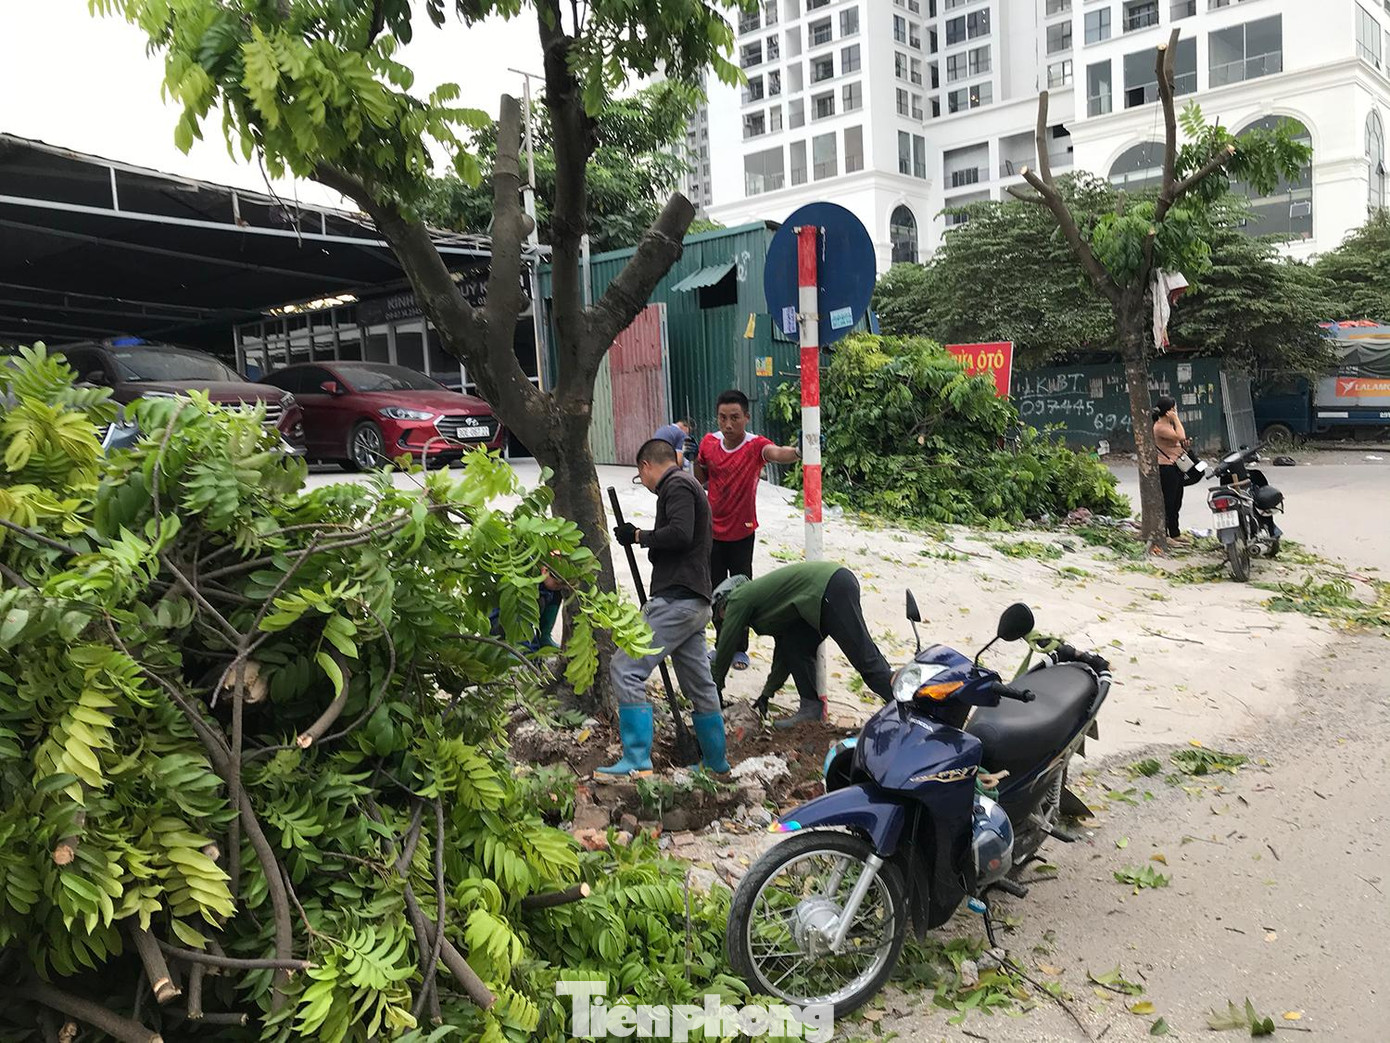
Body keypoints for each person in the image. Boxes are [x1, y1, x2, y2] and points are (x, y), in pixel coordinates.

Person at [598, 438, 729, 779]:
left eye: (642, 478)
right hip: (695, 600)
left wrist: (640, 536)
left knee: (625, 667)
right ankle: (716, 763)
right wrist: (648, 542)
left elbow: (681, 534)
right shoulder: (688, 485)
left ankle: (637, 759)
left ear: (646, 467)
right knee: (700, 684)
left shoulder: (677, 484)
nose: (645, 484)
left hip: (676, 599)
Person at [710, 562, 893, 729]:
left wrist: (714, 688)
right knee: (794, 646)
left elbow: (726, 646)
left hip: (830, 588)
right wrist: (767, 693)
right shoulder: (764, 603)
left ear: (723, 604)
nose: (724, 621)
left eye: (721, 616)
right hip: (820, 596)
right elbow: (782, 653)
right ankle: (810, 709)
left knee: (866, 661)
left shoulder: (738, 599)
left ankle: (904, 706)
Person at [694, 390, 800, 671]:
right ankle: (721, 645)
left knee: (741, 593)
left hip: (742, 534)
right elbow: (700, 479)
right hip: (712, 532)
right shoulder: (708, 443)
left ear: (746, 418)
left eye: (735, 418)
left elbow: (777, 454)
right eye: (722, 418)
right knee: (715, 593)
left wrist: (800, 450)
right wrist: (694, 460)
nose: (728, 425)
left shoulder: (755, 446)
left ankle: (740, 649)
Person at [489, 566, 563, 653]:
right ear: (544, 571)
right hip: (501, 625)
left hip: (523, 621)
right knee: (537, 601)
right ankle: (514, 644)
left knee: (555, 593)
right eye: (557, 583)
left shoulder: (549, 583)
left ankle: (544, 636)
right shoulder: (527, 585)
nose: (559, 586)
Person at [1152, 395, 1190, 541]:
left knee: (1177, 501)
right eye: (1174, 408)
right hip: (1166, 468)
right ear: (1169, 410)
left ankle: (1175, 532)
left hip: (1177, 465)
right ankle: (1166, 534)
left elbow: (1180, 441)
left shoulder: (1168, 425)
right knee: (1169, 502)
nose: (1176, 411)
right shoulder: (1160, 426)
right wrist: (1176, 418)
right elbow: (1180, 436)